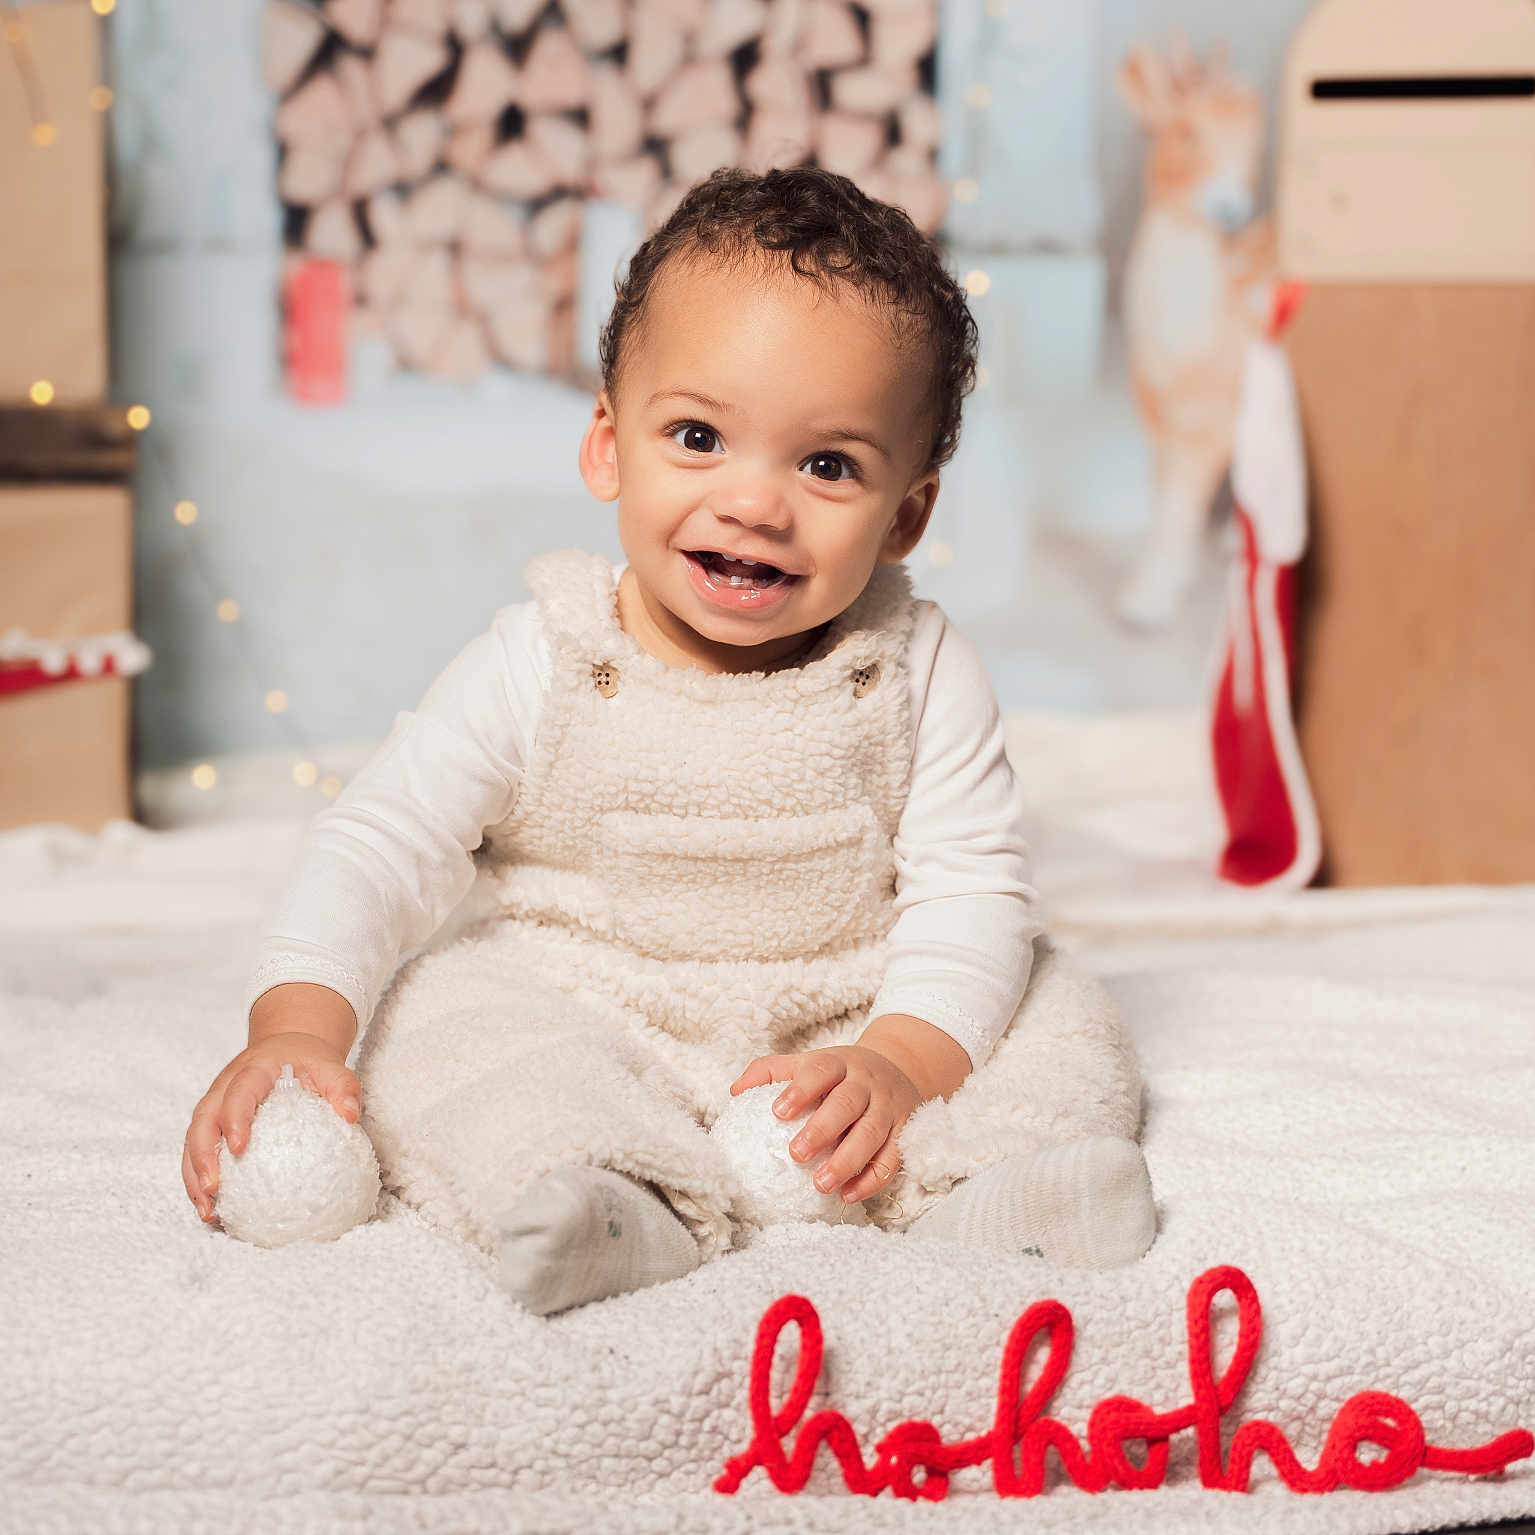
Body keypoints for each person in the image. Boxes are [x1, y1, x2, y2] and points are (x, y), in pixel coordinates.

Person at [181, 166, 1155, 1316]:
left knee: (1054, 1009)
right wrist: (296, 1028)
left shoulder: (914, 667)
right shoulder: (545, 656)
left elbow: (971, 889)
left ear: (905, 515)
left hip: (844, 1010)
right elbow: (382, 842)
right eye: (698, 435)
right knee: (438, 1025)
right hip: (589, 996)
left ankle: (997, 1189)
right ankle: (605, 1192)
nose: (752, 502)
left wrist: (901, 1060)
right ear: (607, 447)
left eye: (826, 464)